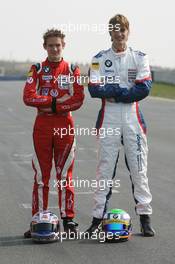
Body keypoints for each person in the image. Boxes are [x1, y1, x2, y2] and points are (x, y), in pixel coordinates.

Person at [85, 14, 155, 237]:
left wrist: (116, 92)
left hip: (133, 117)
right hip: (109, 117)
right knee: (104, 169)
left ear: (128, 31)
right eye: (115, 29)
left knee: (139, 169)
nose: (119, 33)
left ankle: (145, 218)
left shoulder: (139, 57)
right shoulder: (98, 58)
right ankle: (97, 219)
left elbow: (144, 88)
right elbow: (94, 89)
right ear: (110, 32)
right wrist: (122, 91)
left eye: (123, 29)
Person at [23, 29, 84, 238]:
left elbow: (78, 100)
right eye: (51, 45)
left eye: (58, 45)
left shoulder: (73, 69)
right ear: (45, 47)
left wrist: (51, 106)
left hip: (65, 127)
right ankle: (38, 219)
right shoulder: (37, 68)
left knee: (64, 176)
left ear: (63, 46)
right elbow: (28, 97)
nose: (55, 48)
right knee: (41, 176)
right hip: (42, 127)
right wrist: (57, 102)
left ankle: (68, 220)